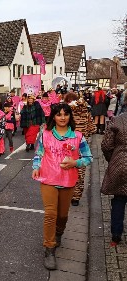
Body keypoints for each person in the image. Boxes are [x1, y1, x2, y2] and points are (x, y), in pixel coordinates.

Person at [31, 103, 93, 270]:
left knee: (62, 215)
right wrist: (36, 167)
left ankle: (59, 233)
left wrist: (75, 162)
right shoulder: (45, 135)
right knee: (50, 213)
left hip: (68, 181)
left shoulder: (78, 136)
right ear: (54, 117)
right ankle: (49, 248)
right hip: (48, 178)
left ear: (69, 117)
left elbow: (88, 157)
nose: (63, 117)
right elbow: (39, 154)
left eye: (66, 114)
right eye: (59, 114)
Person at [64, 92, 95, 206]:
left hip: (67, 146)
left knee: (67, 169)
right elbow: (92, 128)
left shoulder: (66, 112)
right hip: (82, 146)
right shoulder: (86, 111)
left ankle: (67, 194)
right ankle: (76, 198)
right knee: (80, 171)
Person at [101, 112, 127, 246]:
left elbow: (106, 145)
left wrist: (113, 159)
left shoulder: (117, 120)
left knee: (119, 200)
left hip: (121, 165)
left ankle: (116, 236)